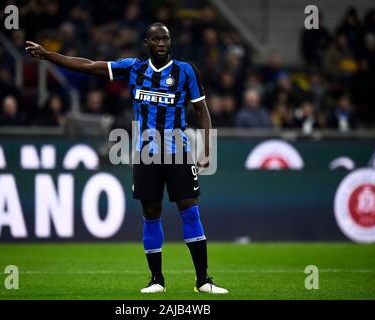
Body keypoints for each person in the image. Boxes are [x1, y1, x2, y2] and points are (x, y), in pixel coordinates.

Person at [26, 22, 228, 294]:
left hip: (179, 152)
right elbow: (88, 65)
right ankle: (156, 280)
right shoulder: (133, 68)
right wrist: (48, 55)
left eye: (165, 39)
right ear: (146, 43)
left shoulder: (186, 71)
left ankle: (202, 280)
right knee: (151, 213)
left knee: (189, 209)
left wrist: (206, 149)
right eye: (155, 39)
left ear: (171, 42)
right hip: (145, 153)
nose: (161, 44)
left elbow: (202, 110)